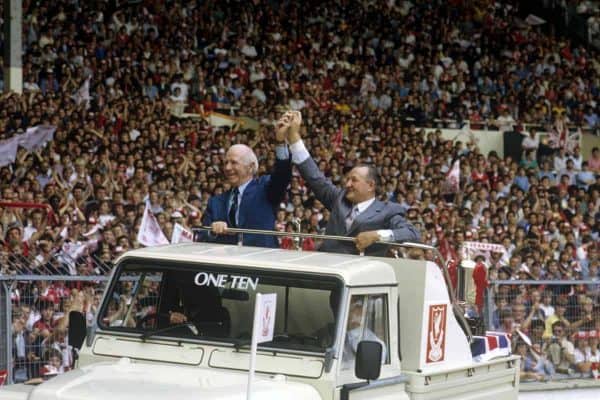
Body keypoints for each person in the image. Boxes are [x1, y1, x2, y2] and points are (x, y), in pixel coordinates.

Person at [285, 111, 419, 255]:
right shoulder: (339, 198)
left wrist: (377, 235)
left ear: (371, 185)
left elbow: (412, 233)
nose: (347, 184)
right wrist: (293, 136)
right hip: (327, 267)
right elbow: (314, 177)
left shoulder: (387, 210)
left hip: (360, 274)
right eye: (348, 179)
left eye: (354, 180)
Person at [198, 116, 292, 248]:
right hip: (227, 265)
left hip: (260, 263)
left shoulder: (265, 189)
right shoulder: (215, 202)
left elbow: (283, 175)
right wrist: (212, 231)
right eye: (226, 163)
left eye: (234, 162)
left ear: (251, 167)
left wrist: (281, 142)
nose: (227, 168)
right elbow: (201, 236)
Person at [341, 295, 387, 370]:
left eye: (355, 306)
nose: (350, 310)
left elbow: (368, 370)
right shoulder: (332, 336)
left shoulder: (375, 343)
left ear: (363, 311)